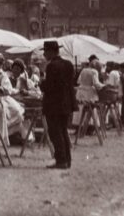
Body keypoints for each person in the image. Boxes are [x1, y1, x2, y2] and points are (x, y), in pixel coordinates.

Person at [41, 40, 75, 169]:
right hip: (66, 104)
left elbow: (50, 87)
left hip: (54, 104)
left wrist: (41, 84)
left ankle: (60, 161)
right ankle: (67, 160)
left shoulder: (51, 66)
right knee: (63, 131)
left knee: (55, 132)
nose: (44, 54)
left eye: (45, 51)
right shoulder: (68, 64)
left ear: (50, 51)